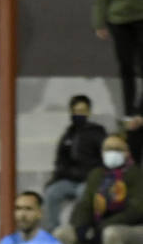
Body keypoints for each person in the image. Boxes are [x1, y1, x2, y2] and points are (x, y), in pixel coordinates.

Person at [55, 133, 143, 244]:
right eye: (108, 149)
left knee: (111, 233)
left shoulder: (136, 174)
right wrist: (81, 227)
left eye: (117, 149)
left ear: (126, 153)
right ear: (102, 152)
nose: (112, 153)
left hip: (133, 228)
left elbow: (137, 209)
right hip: (99, 227)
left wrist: (104, 225)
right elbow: (85, 204)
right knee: (62, 233)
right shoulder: (96, 175)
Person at [43, 96, 107, 230]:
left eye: (83, 111)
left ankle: (79, 231)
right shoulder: (68, 134)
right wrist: (56, 177)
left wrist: (96, 177)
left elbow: (104, 159)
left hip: (88, 181)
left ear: (89, 112)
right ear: (71, 112)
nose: (79, 114)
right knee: (51, 193)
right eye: (76, 111)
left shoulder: (97, 133)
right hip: (69, 180)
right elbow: (60, 160)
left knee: (83, 196)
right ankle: (53, 230)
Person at [94, 0, 143, 118]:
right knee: (126, 67)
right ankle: (129, 114)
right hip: (119, 21)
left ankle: (140, 112)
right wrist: (99, 22)